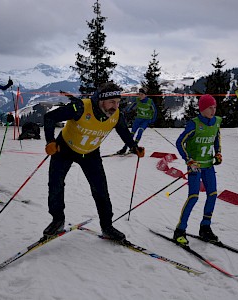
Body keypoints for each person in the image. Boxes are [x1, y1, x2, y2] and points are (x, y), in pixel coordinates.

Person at [43, 82, 145, 241]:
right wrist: (50, 141)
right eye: (112, 102)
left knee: (100, 189)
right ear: (101, 101)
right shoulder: (81, 108)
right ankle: (57, 220)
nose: (115, 107)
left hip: (90, 153)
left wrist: (134, 146)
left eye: (118, 103)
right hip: (64, 148)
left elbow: (124, 132)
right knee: (55, 184)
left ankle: (107, 226)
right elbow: (50, 117)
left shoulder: (117, 115)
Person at [173, 94, 222, 245]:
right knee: (193, 197)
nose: (213, 110)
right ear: (202, 109)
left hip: (208, 166)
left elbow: (216, 139)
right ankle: (180, 230)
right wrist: (189, 160)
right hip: (195, 167)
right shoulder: (194, 124)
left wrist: (218, 153)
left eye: (214, 107)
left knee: (212, 194)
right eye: (209, 108)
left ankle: (205, 228)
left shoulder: (216, 122)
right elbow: (180, 142)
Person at [116, 87, 156, 154]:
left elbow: (155, 111)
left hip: (146, 120)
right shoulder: (137, 100)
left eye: (142, 94)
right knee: (131, 134)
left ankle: (134, 148)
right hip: (138, 119)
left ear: (145, 95)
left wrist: (152, 121)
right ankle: (124, 148)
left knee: (140, 132)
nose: (140, 96)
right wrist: (126, 112)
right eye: (139, 94)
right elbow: (131, 106)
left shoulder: (150, 101)